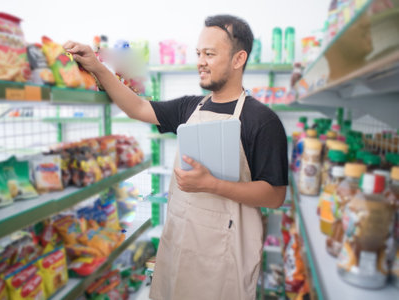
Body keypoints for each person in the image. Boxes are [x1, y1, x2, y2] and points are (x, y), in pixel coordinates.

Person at [64, 14, 288, 300]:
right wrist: (97, 66)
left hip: (225, 260)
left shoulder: (262, 121)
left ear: (238, 59)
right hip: (180, 246)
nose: (200, 61)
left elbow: (275, 195)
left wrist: (212, 184)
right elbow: (137, 107)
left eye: (210, 53)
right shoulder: (188, 107)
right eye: (198, 53)